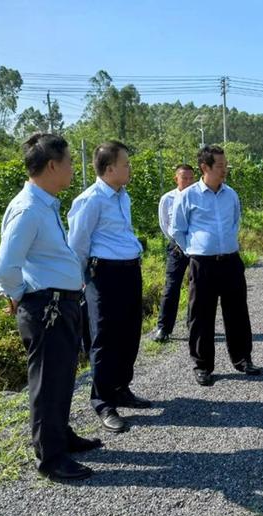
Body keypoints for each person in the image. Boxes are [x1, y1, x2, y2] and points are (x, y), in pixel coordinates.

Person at [0, 133, 101, 481]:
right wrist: (20, 295)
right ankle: (51, 457)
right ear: (52, 165)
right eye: (69, 162)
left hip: (62, 304)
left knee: (61, 377)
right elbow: (6, 265)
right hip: (46, 307)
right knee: (47, 382)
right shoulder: (28, 209)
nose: (72, 169)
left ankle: (61, 435)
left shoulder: (44, 203)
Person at [68, 141, 151, 434]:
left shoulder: (122, 196)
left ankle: (120, 388)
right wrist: (80, 281)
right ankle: (103, 401)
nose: (129, 168)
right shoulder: (90, 200)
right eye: (125, 163)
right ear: (109, 168)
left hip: (129, 270)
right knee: (103, 335)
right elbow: (77, 244)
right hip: (103, 274)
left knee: (130, 331)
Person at [171, 145, 261, 386]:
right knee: (201, 314)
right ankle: (203, 365)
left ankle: (242, 358)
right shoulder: (188, 196)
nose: (225, 170)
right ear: (205, 167)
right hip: (202, 263)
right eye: (220, 166)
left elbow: (235, 222)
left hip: (230, 260)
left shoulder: (230, 194)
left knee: (237, 312)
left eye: (225, 165)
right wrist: (193, 250)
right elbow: (177, 229)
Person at [152, 163, 196, 343]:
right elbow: (165, 224)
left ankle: (193, 324)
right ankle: (164, 327)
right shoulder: (167, 198)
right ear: (176, 178)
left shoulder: (198, 196)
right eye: (183, 178)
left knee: (197, 287)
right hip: (177, 247)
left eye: (190, 178)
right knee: (171, 286)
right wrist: (179, 241)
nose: (187, 181)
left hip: (196, 247)